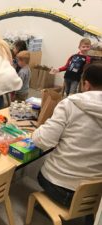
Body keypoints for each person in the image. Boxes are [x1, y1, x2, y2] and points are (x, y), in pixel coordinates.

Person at [32, 63, 102, 212]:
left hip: (61, 187)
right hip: (96, 193)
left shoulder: (71, 103)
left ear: (87, 85)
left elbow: (44, 141)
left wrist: (36, 132)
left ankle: (47, 208)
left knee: (39, 166)